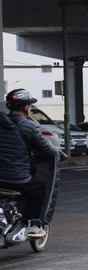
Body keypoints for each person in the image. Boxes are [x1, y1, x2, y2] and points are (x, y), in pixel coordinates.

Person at [0, 89, 59, 237]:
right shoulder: (29, 127)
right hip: (17, 178)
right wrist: (58, 151)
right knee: (39, 189)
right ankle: (33, 223)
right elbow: (46, 150)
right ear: (26, 107)